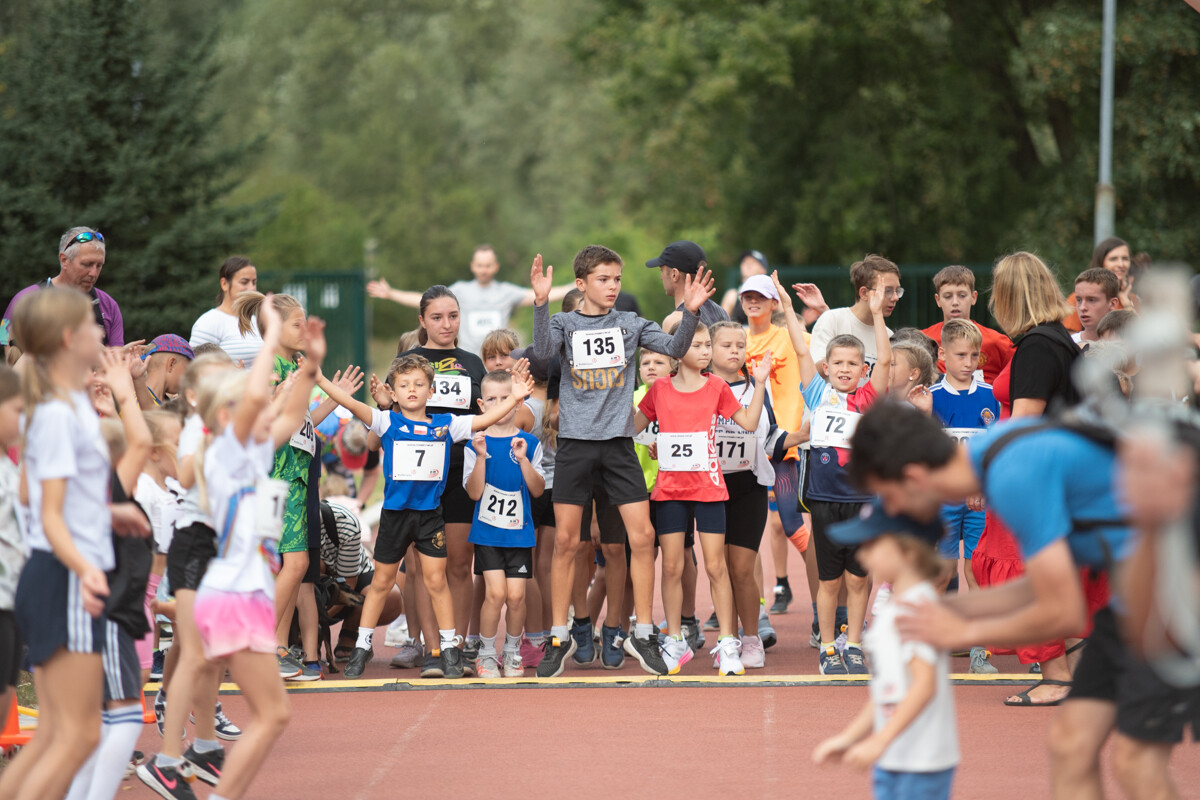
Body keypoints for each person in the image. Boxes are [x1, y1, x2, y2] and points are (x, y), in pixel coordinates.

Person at [848, 401, 1195, 800]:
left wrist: (962, 631)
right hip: (1148, 581)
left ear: (913, 477)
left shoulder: (1013, 474)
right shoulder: (995, 451)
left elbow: (1062, 611)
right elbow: (1039, 586)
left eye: (889, 500)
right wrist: (949, 609)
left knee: (1136, 763)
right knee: (1071, 747)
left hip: (1176, 583)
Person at [531, 246, 713, 678]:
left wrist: (690, 312)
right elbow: (541, 351)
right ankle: (560, 636)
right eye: (603, 279)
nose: (612, 286)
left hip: (618, 445)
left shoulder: (631, 323)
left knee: (643, 537)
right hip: (575, 445)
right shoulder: (565, 323)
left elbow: (675, 348)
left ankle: (642, 632)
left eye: (617, 279)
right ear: (581, 284)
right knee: (566, 542)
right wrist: (540, 303)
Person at [0, 288, 145, 800]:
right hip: (64, 575)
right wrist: (85, 567)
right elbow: (47, 513)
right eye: (90, 325)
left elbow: (31, 494)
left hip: (57, 570)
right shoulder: (59, 414)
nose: (101, 331)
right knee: (79, 735)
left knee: (61, 735)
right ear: (68, 338)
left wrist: (106, 512)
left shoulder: (66, 407)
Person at [189, 299, 326, 800]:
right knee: (270, 714)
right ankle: (194, 758)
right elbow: (261, 401)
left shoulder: (250, 452)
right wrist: (270, 342)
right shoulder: (224, 453)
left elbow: (290, 416)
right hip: (233, 597)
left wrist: (309, 367)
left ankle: (195, 748)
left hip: (232, 594)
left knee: (262, 709)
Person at [323, 353, 533, 679]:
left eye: (419, 384)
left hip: (429, 516)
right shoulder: (387, 421)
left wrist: (515, 398)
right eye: (404, 385)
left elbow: (484, 420)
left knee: (436, 581)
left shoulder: (446, 424)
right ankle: (363, 646)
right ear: (394, 393)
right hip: (395, 515)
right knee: (381, 581)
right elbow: (351, 404)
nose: (412, 390)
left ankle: (448, 649)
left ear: (431, 391)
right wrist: (318, 378)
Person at [975, 251, 1087, 706]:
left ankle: (1056, 677)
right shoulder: (1057, 339)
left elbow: (1023, 421)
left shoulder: (1038, 346)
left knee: (1023, 573)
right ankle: (1073, 670)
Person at [635, 322, 770, 674]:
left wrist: (760, 383)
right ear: (678, 350)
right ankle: (675, 639)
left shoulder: (717, 386)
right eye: (696, 345)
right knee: (672, 566)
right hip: (669, 490)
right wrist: (655, 443)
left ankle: (727, 643)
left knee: (715, 566)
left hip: (709, 488)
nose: (705, 351)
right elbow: (631, 427)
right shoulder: (659, 388)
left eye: (707, 344)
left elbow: (749, 423)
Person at [138, 353, 243, 800]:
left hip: (223, 550)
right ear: (197, 395)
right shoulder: (197, 430)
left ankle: (203, 746)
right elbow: (185, 474)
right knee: (196, 654)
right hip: (194, 547)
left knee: (210, 656)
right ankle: (166, 760)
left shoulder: (230, 429)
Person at [777, 272, 892, 675]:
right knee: (829, 581)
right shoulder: (817, 392)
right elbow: (799, 349)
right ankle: (828, 647)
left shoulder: (869, 396)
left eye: (853, 364)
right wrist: (788, 307)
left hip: (862, 500)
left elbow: (887, 358)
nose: (845, 369)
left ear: (864, 370)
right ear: (826, 367)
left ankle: (854, 644)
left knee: (858, 579)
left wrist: (877, 314)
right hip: (825, 499)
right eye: (838, 363)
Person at [812, 500, 959, 800]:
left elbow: (925, 685)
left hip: (922, 762)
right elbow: (884, 692)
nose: (862, 554)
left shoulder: (918, 609)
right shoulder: (891, 612)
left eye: (871, 545)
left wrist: (880, 740)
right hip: (893, 757)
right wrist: (850, 738)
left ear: (907, 551)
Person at [705, 321, 809, 667]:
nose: (734, 351)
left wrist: (800, 436)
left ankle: (751, 638)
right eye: (726, 345)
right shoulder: (700, 388)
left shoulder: (756, 389)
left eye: (740, 345)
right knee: (718, 569)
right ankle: (727, 639)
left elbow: (772, 437)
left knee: (742, 568)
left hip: (748, 487)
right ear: (710, 350)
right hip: (711, 489)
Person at [396, 286, 489, 674]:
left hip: (460, 471)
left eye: (453, 316)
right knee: (423, 566)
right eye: (437, 317)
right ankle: (433, 651)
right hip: (418, 473)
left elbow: (484, 414)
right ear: (422, 321)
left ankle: (458, 647)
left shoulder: (473, 363)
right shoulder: (406, 363)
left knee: (460, 563)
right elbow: (392, 415)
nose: (446, 324)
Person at [234, 291, 325, 682]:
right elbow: (262, 416)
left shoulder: (294, 364)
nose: (304, 330)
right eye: (296, 324)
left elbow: (301, 422)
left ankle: (276, 645)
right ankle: (260, 644)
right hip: (275, 476)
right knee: (294, 564)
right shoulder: (270, 364)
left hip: (297, 477)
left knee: (288, 566)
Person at [739, 274, 812, 645]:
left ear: (772, 304)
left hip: (783, 444)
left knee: (792, 525)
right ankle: (755, 612)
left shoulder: (787, 336)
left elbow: (822, 346)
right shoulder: (735, 340)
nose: (753, 302)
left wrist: (808, 309)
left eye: (760, 296)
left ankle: (828, 606)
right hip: (744, 447)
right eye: (747, 296)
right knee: (745, 533)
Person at [928, 319, 1001, 674]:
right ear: (942, 354)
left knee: (977, 573)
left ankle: (978, 651)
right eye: (960, 355)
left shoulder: (991, 397)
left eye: (974, 356)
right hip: (943, 500)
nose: (968, 362)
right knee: (941, 574)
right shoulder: (930, 397)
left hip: (979, 501)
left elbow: (997, 451)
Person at [463, 370, 546, 677]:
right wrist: (481, 457)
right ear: (482, 405)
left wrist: (523, 460)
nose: (500, 405)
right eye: (492, 399)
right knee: (495, 594)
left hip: (519, 533)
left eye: (506, 399)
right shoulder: (475, 444)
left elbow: (538, 490)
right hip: (488, 533)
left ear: (518, 402)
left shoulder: (529, 443)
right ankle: (485, 654)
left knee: (517, 596)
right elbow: (473, 493)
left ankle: (511, 651)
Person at [366, 245, 575, 355]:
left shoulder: (506, 292)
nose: (484, 269)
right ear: (472, 266)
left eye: (488, 265)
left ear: (496, 267)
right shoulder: (460, 291)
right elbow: (426, 301)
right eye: (480, 265)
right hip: (468, 361)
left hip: (498, 362)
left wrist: (573, 286)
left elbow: (539, 295)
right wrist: (392, 294)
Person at [2, 227, 124, 358]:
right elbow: (7, 344)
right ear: (64, 260)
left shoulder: (109, 305)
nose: (94, 273)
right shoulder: (25, 299)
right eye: (87, 264)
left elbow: (117, 361)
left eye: (99, 265)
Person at [809, 254, 900, 382]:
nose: (895, 297)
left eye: (898, 291)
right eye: (888, 291)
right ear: (864, 293)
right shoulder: (831, 320)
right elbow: (811, 374)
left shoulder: (888, 335)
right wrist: (844, 358)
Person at [920, 265, 1014, 383]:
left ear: (973, 297)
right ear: (938, 300)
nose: (955, 302)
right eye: (948, 296)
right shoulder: (923, 341)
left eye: (962, 296)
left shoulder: (996, 342)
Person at [188, 256, 264, 367]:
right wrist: (233, 374)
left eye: (254, 282)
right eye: (244, 282)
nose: (252, 288)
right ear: (224, 284)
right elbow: (194, 369)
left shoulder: (257, 321)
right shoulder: (208, 322)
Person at [0, 367, 22, 733]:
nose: (24, 419)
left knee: (6, 690)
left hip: (14, 599)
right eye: (17, 410)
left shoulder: (10, 465)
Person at [650, 240, 729, 330]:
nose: (661, 277)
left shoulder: (674, 320)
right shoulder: (721, 313)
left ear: (674, 274)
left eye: (662, 271)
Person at [1064, 237, 1136, 333]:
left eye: (1125, 259)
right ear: (1101, 262)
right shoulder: (1077, 300)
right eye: (1113, 259)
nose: (1121, 264)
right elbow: (1070, 338)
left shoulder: (1133, 299)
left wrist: (1126, 302)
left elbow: (1140, 335)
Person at [134, 334, 195, 409]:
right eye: (187, 370)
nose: (188, 379)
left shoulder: (132, 398)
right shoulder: (136, 404)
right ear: (171, 364)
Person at [1072, 268, 1121, 347]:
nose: (1082, 307)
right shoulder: (1068, 345)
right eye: (1079, 300)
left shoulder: (1130, 347)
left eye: (1091, 300)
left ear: (1112, 304)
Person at [720, 249, 768, 324]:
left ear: (763, 270)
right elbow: (720, 325)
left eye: (753, 262)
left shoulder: (773, 295)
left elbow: (784, 320)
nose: (748, 265)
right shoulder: (732, 295)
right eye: (744, 262)